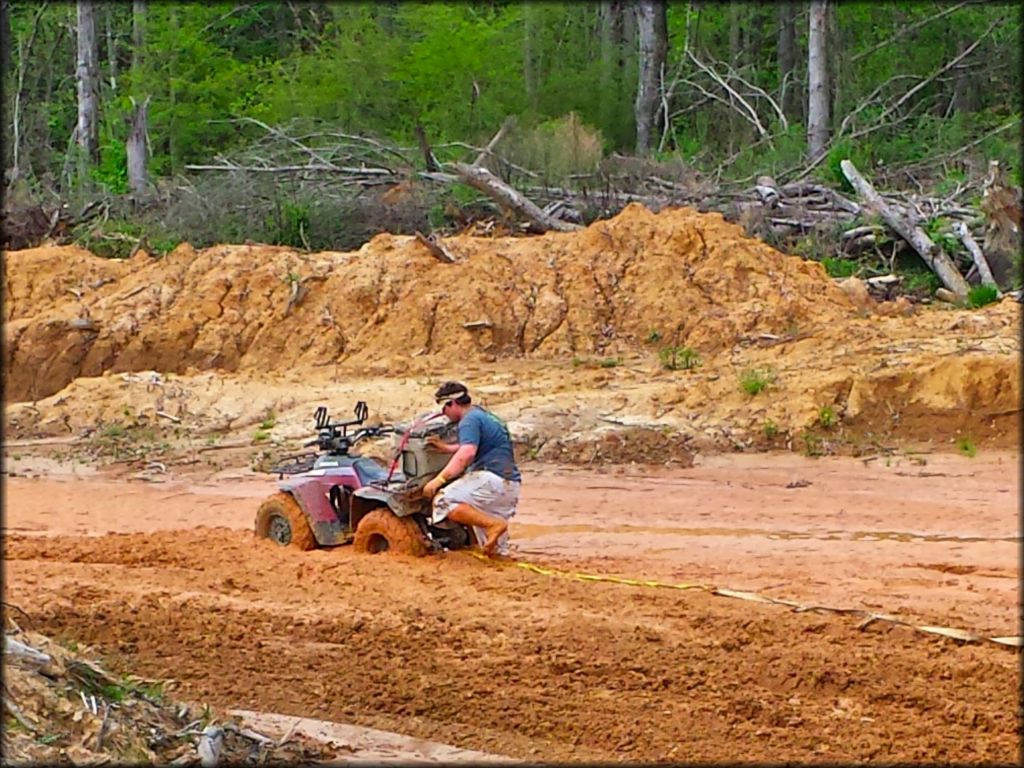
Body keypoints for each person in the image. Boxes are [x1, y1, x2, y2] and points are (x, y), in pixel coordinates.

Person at [420, 381, 521, 557]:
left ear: (452, 403)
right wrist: (445, 448)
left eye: (444, 408)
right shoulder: (481, 414)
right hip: (509, 485)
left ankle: (493, 525)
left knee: (444, 501)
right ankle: (495, 528)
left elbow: (467, 452)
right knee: (495, 553)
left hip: (491, 479)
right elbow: (471, 445)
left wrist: (440, 479)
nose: (444, 414)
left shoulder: (469, 420)